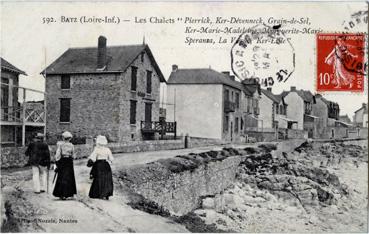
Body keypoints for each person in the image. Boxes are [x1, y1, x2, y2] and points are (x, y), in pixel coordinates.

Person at [87, 135, 113, 200]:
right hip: (106, 165)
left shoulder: (97, 149)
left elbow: (93, 158)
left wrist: (89, 163)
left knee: (99, 178)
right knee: (106, 179)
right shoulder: (107, 149)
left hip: (99, 165)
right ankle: (106, 194)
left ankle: (99, 193)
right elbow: (111, 159)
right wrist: (109, 162)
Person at [52, 131, 77, 200]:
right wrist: (72, 157)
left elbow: (58, 154)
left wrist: (57, 161)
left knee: (62, 176)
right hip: (69, 161)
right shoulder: (72, 145)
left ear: (63, 138)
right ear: (69, 138)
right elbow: (73, 155)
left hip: (63, 161)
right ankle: (69, 193)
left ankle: (62, 193)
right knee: (69, 176)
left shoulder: (61, 145)